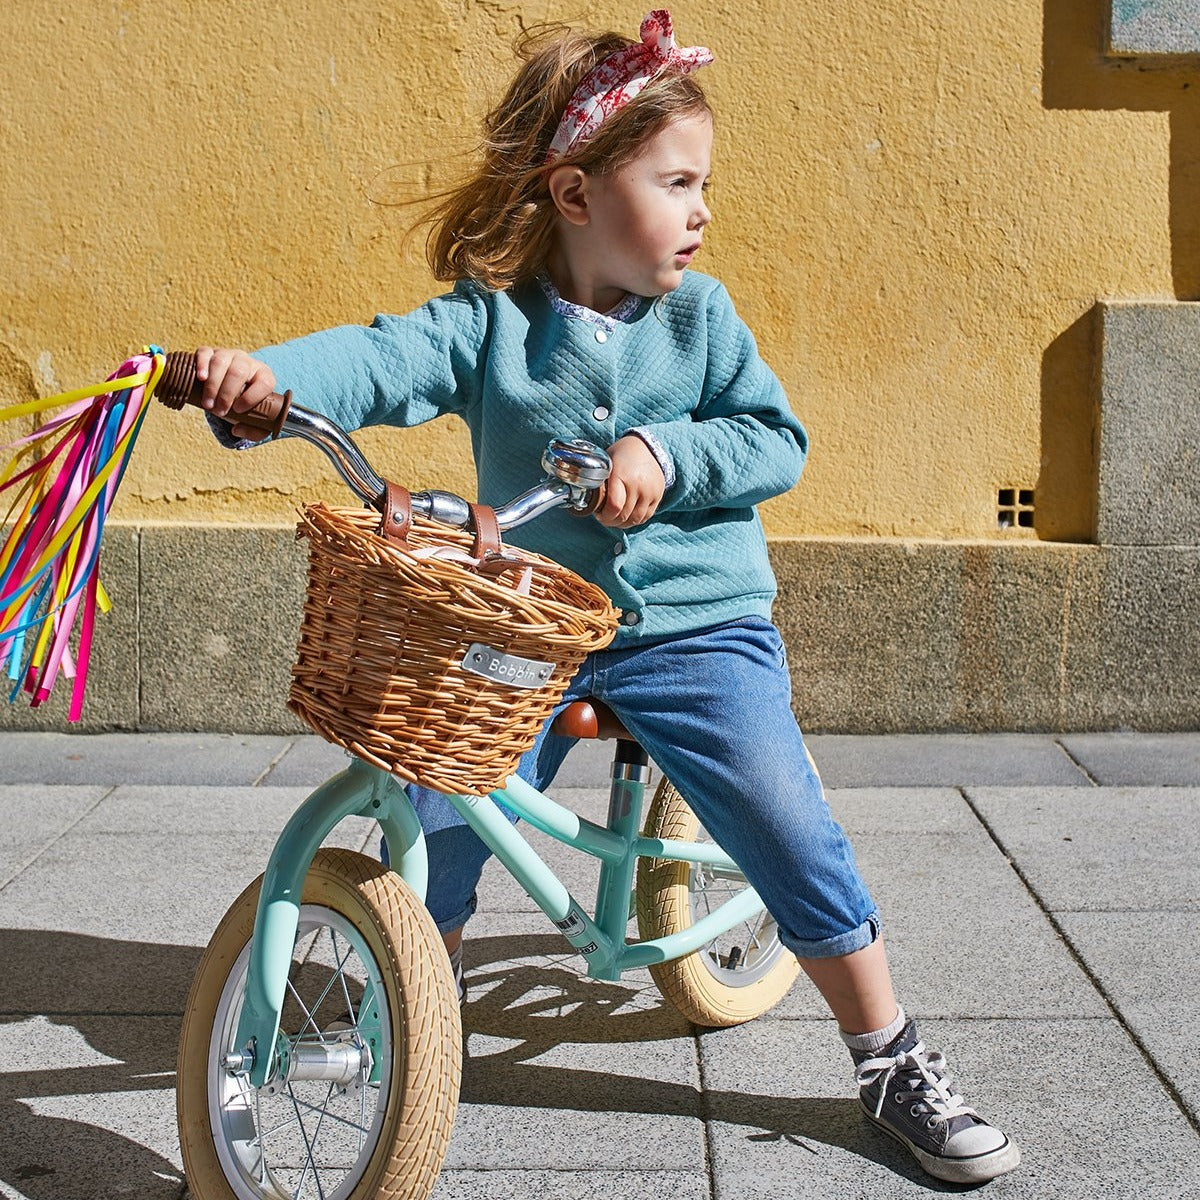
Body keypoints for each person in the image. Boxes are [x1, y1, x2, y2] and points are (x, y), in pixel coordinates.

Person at [195, 11, 1020, 1185]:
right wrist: (269, 381)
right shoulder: (493, 322)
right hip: (527, 622)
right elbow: (377, 360)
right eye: (677, 181)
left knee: (782, 818)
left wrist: (668, 456)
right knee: (435, 807)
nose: (703, 209)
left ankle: (887, 1050)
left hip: (695, 624)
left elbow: (775, 440)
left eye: (704, 183)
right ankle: (424, 1016)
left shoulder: (705, 319)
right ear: (575, 195)